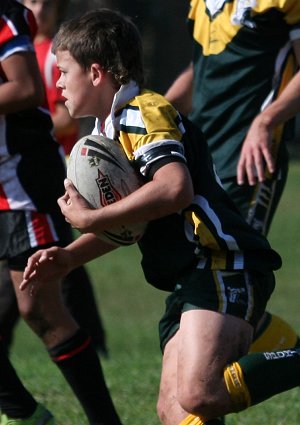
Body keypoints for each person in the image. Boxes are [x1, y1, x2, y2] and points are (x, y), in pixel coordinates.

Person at [21, 8, 300, 425]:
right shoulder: (108, 133)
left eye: (63, 70)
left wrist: (91, 218)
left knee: (200, 393)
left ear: (95, 73)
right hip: (189, 275)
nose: (56, 82)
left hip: (221, 262)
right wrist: (69, 257)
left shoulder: (142, 112)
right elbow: (134, 223)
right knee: (175, 413)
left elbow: (174, 188)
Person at [0, 1, 122, 424]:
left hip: (17, 184)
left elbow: (24, 89)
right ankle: (24, 413)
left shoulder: (4, 16)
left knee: (40, 307)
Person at [164, 0, 300, 354]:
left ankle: (207, 393)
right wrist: (159, 114)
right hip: (203, 158)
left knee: (225, 278)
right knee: (196, 280)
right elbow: (202, 69)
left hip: (250, 161)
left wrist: (266, 120)